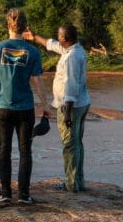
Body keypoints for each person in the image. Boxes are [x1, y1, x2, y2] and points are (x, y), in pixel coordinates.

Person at [0, 8, 51, 205]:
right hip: (25, 108)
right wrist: (45, 105)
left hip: (3, 107)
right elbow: (37, 81)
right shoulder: (33, 51)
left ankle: (5, 193)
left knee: (4, 150)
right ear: (25, 27)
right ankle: (23, 194)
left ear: (8, 25)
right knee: (25, 151)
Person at [25, 24, 91, 192]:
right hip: (81, 103)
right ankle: (78, 182)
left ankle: (71, 184)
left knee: (69, 145)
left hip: (71, 107)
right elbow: (51, 44)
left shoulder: (71, 57)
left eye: (59, 36)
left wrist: (67, 113)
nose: (57, 38)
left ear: (65, 38)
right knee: (77, 143)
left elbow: (70, 86)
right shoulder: (75, 50)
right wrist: (34, 37)